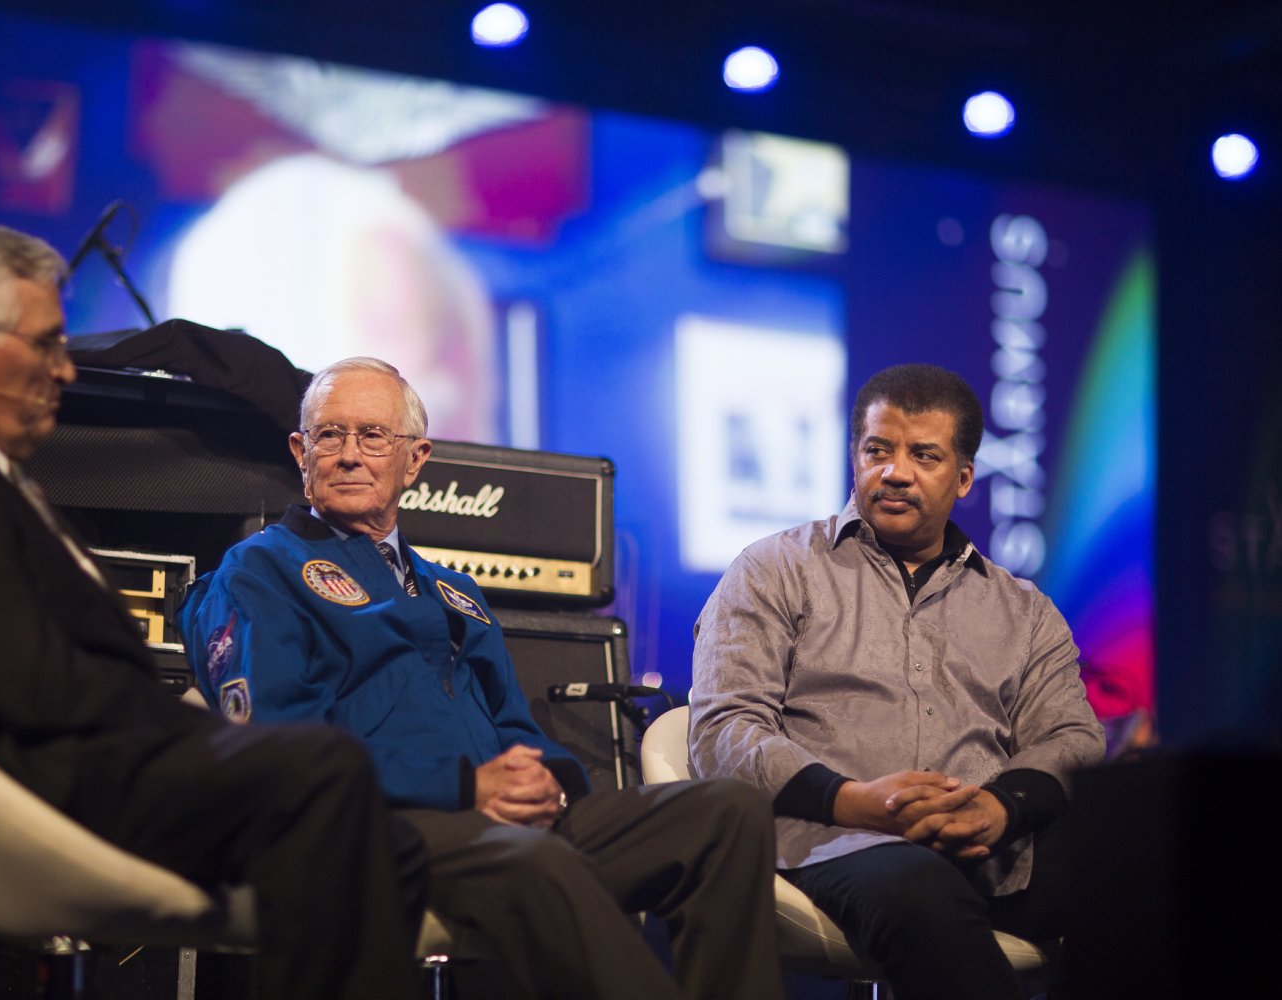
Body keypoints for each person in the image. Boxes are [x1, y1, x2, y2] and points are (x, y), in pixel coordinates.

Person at [0, 218, 425, 1000]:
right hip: (29, 807)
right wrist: (200, 742)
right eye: (44, 346)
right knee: (328, 772)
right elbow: (38, 693)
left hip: (64, 775)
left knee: (374, 820)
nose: (65, 372)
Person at [180, 356, 785, 1000]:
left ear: (415, 460)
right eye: (330, 435)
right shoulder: (259, 572)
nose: (349, 454)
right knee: (535, 865)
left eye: (373, 436)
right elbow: (279, 745)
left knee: (726, 812)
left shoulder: (454, 590)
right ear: (302, 452)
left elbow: (515, 724)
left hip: (504, 825)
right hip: (380, 825)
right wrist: (464, 787)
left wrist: (547, 785)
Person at [689, 363, 1105, 1000]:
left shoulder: (1023, 611)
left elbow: (1072, 739)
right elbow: (724, 731)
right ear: (855, 456)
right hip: (832, 841)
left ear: (963, 477)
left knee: (1145, 871)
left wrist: (1000, 807)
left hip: (989, 845)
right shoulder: (775, 569)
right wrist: (856, 800)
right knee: (920, 887)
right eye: (877, 450)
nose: (895, 471)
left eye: (925, 455)